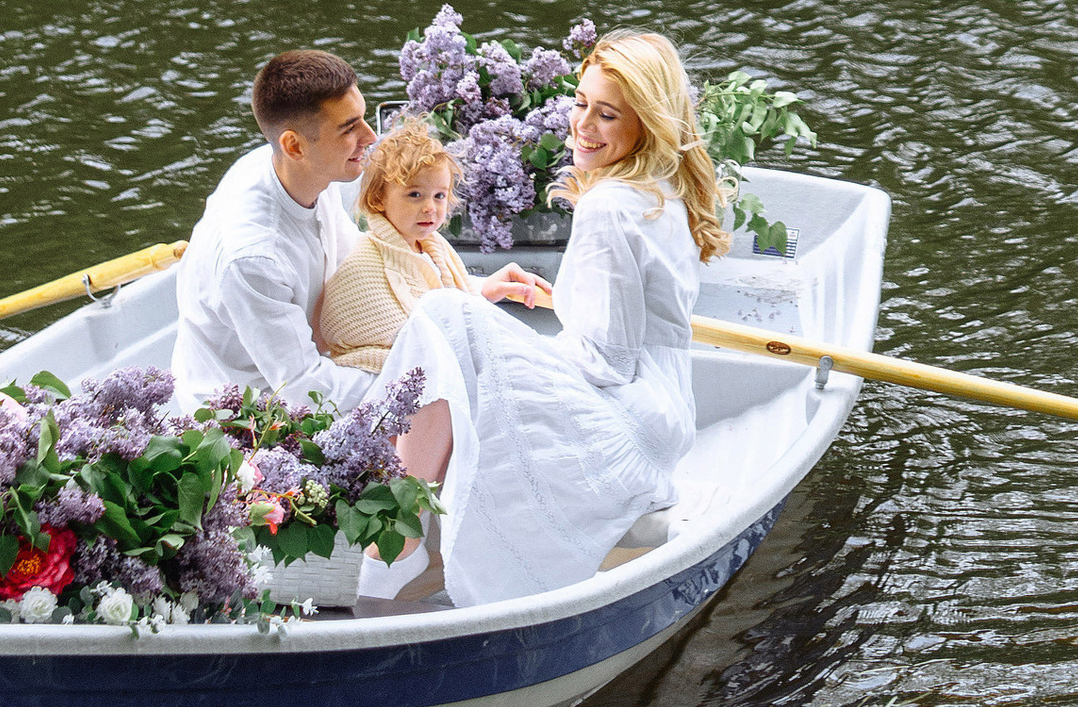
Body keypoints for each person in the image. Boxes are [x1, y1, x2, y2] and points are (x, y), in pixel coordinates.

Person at [385, 30, 728, 611]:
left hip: (628, 421)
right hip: (667, 412)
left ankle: (396, 538)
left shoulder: (608, 207)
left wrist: (512, 354)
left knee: (445, 320)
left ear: (645, 122)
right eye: (580, 103)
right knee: (466, 334)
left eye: (607, 114)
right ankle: (412, 524)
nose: (583, 125)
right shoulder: (664, 188)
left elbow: (606, 361)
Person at [173, 49, 382, 410]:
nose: (371, 136)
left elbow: (360, 264)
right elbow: (305, 388)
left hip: (310, 366)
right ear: (294, 145)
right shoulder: (253, 258)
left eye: (362, 118)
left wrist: (468, 288)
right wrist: (415, 376)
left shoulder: (311, 172)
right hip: (249, 414)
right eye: (349, 128)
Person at [313, 117, 543, 372]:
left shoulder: (435, 248)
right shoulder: (366, 261)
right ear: (378, 199)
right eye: (414, 195)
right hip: (404, 368)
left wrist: (484, 293)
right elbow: (350, 326)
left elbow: (450, 303)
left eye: (439, 196)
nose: (430, 208)